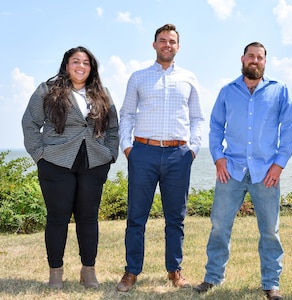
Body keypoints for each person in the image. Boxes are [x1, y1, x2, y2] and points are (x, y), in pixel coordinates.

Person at [193, 42, 292, 300]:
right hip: (232, 170)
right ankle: (212, 277)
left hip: (266, 172)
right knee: (219, 226)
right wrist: (218, 157)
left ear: (265, 62)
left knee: (270, 230)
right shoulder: (228, 91)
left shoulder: (280, 91)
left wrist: (279, 163)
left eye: (260, 57)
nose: (255, 60)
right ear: (242, 58)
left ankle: (271, 283)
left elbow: (289, 130)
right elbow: (215, 127)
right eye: (251, 56)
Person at [116, 23, 204, 292]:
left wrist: (193, 149)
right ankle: (131, 272)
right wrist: (127, 147)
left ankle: (174, 270)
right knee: (136, 217)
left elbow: (198, 117)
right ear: (154, 45)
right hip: (143, 152)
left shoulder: (189, 78)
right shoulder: (138, 77)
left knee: (175, 218)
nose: (167, 44)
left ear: (178, 46)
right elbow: (127, 114)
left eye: (172, 41)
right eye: (163, 40)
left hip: (179, 154)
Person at [22, 46, 119, 289]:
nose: (81, 66)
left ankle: (88, 271)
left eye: (86, 63)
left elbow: (113, 128)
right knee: (58, 218)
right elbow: (30, 123)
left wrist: (109, 154)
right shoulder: (48, 90)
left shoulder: (102, 94)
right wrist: (39, 155)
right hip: (55, 161)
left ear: (91, 68)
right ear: (67, 65)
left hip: (94, 162)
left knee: (88, 218)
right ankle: (55, 272)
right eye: (76, 61)